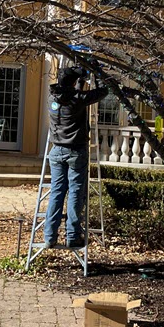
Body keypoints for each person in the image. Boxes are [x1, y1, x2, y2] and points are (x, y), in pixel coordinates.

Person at [43, 65, 108, 248]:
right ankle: (72, 235)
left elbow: (69, 96)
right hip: (75, 151)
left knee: (57, 192)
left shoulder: (51, 98)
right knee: (75, 193)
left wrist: (79, 81)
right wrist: (98, 74)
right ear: (73, 83)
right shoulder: (78, 99)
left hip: (56, 151)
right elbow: (102, 92)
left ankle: (49, 235)